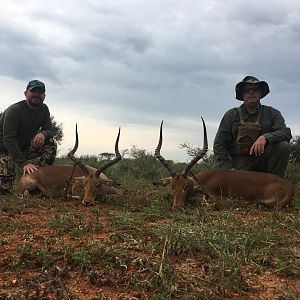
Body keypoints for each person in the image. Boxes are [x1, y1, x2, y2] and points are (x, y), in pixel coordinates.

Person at [213, 76, 292, 178]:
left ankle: (275, 186)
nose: (251, 92)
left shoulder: (272, 113)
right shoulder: (231, 115)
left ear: (260, 93)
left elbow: (286, 132)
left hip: (264, 159)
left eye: (255, 89)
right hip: (240, 164)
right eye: (247, 90)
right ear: (242, 94)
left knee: (283, 146)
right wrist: (228, 169)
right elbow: (219, 144)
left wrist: (265, 138)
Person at [0, 80, 57, 194]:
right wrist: (24, 163)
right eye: (33, 91)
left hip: (24, 147)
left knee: (50, 143)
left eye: (40, 92)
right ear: (25, 93)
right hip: (4, 150)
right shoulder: (14, 111)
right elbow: (8, 140)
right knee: (4, 192)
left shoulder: (44, 109)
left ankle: (40, 181)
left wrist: (43, 134)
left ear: (44, 96)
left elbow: (50, 130)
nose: (36, 94)